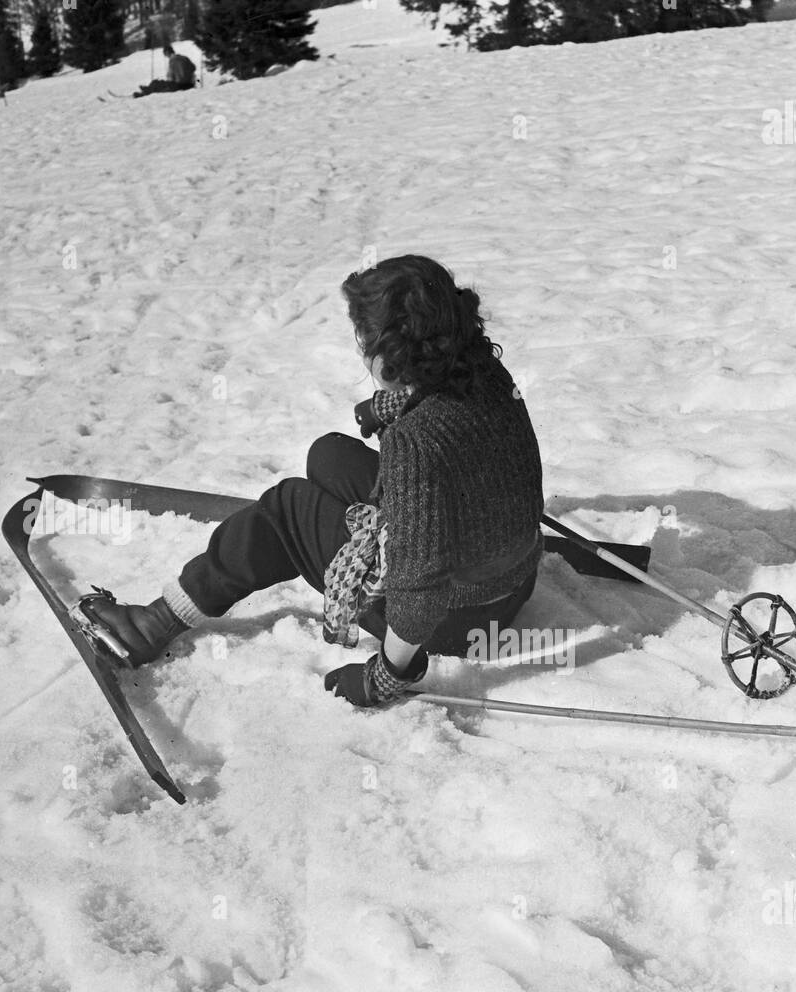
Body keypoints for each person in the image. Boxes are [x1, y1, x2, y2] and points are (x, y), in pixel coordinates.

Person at [83, 255, 546, 708]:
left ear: (390, 357)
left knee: (288, 509)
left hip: (457, 620)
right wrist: (393, 405)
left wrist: (385, 676)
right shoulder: (486, 370)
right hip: (515, 578)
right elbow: (466, 429)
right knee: (328, 455)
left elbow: (420, 589)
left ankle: (150, 625)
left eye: (365, 341)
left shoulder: (415, 444)